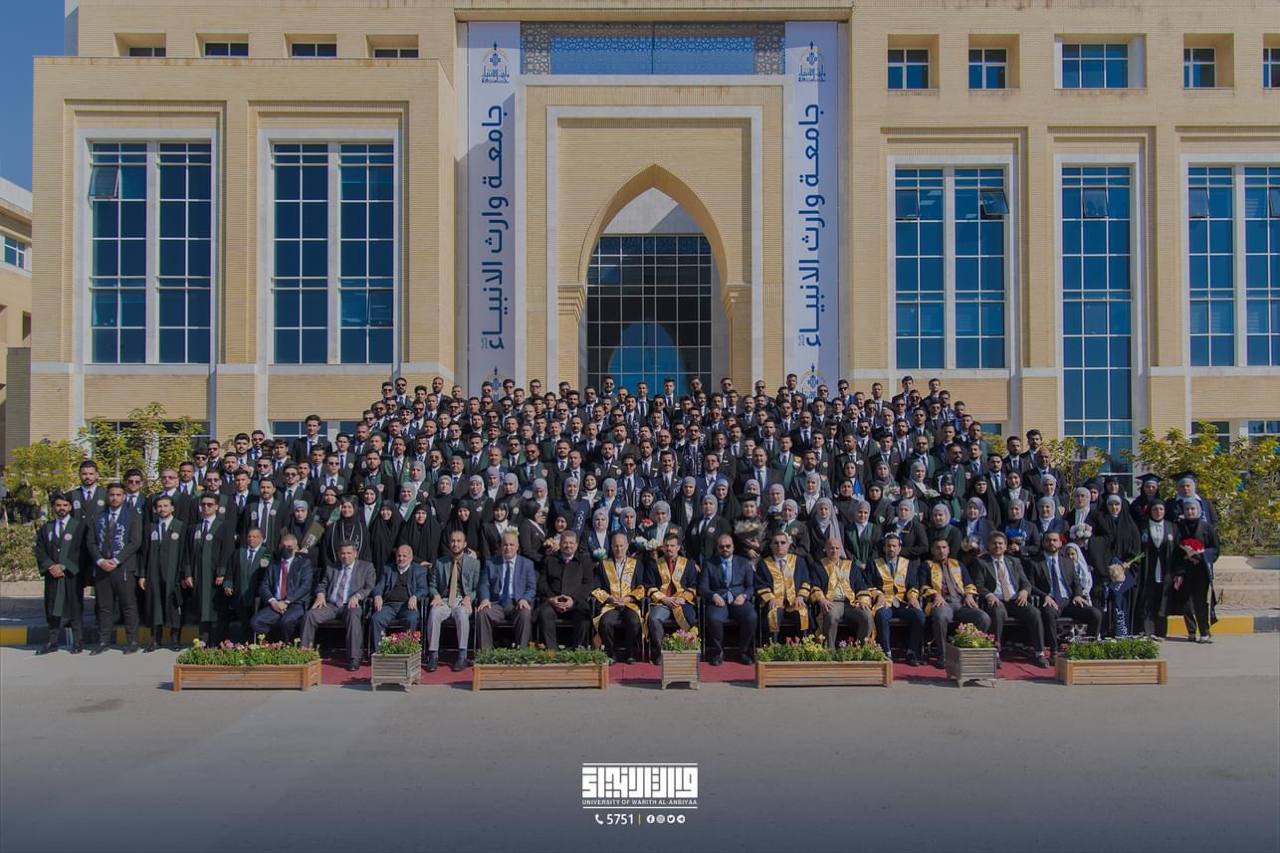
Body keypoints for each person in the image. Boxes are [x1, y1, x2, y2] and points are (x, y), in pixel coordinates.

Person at [973, 531, 1049, 667]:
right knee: (997, 612)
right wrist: (989, 594)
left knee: (1035, 613)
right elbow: (978, 585)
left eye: (1000, 543)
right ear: (988, 545)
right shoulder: (981, 562)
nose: (997, 546)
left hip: (1015, 599)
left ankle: (1039, 653)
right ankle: (995, 653)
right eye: (994, 543)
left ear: (1005, 546)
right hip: (997, 600)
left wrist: (1025, 591)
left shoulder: (1014, 561)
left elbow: (1026, 583)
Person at [911, 538, 990, 667]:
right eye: (938, 548)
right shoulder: (926, 565)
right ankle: (943, 655)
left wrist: (969, 595)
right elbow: (923, 586)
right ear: (932, 550)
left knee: (983, 618)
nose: (941, 551)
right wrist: (935, 594)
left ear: (948, 550)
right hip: (942, 602)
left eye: (944, 547)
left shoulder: (957, 564)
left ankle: (969, 652)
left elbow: (969, 583)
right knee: (940, 616)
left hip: (961, 603)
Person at [301, 542, 377, 672]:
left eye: (349, 553)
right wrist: (320, 594)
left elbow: (369, 587)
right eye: (343, 553)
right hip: (331, 605)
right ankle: (304, 654)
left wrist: (358, 596)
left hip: (351, 604)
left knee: (353, 615)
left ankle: (354, 657)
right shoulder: (332, 567)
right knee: (310, 615)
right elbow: (322, 584)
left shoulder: (366, 567)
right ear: (338, 554)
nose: (345, 556)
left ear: (355, 554)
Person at [87, 483, 143, 655]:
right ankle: (103, 640)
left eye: (118, 495)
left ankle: (132, 641)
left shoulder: (132, 516)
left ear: (124, 497)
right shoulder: (98, 517)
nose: (115, 498)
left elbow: (135, 542)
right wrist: (100, 560)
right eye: (112, 495)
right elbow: (91, 542)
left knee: (128, 606)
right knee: (104, 606)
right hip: (102, 568)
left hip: (124, 567)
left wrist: (117, 560)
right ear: (107, 496)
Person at [1029, 530, 1102, 651]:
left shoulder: (1067, 562)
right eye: (1048, 540)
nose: (1051, 543)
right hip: (1049, 601)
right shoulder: (1034, 563)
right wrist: (1044, 596)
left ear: (1060, 543)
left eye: (1054, 540)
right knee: (1048, 614)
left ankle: (1087, 649)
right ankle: (1054, 650)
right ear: (1043, 543)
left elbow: (1076, 582)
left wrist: (1078, 595)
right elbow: (1030, 585)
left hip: (1068, 602)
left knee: (1096, 614)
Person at [34, 492, 86, 654]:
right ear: (53, 507)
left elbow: (83, 551)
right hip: (53, 576)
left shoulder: (79, 527)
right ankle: (52, 642)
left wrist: (65, 566)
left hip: (71, 576)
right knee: (52, 607)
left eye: (65, 505)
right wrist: (50, 566)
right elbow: (40, 549)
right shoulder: (47, 528)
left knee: (74, 607)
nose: (61, 508)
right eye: (58, 505)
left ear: (70, 507)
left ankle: (78, 641)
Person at [864, 531, 926, 664]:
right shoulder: (874, 564)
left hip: (903, 603)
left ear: (899, 548)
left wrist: (912, 597)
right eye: (888, 546)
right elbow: (868, 585)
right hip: (885, 603)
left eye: (894, 546)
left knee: (920, 616)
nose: (891, 549)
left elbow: (913, 585)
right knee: (881, 615)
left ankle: (912, 652)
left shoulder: (908, 564)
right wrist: (878, 594)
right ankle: (886, 652)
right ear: (884, 548)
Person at [697, 533, 757, 665]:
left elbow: (751, 586)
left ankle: (743, 652)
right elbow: (702, 587)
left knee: (751, 617)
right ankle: (719, 652)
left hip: (739, 600)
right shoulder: (709, 563)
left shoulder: (744, 562)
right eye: (722, 546)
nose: (725, 549)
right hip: (719, 600)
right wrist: (713, 595)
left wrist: (744, 596)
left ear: (733, 547)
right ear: (717, 548)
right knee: (713, 618)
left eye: (728, 546)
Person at [426, 529, 480, 672]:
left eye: (458, 541)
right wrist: (436, 595)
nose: (455, 544)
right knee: (434, 613)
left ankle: (462, 656)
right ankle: (433, 655)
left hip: (462, 600)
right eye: (453, 541)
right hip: (444, 600)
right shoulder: (440, 562)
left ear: (465, 544)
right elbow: (432, 584)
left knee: (462, 614)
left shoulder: (474, 563)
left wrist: (470, 597)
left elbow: (477, 587)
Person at [808, 536, 873, 648]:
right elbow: (814, 585)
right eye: (831, 548)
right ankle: (829, 650)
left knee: (867, 616)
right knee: (831, 616)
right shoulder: (818, 566)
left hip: (851, 602)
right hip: (832, 602)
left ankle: (861, 649)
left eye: (837, 548)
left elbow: (860, 585)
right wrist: (821, 599)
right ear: (825, 549)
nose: (834, 551)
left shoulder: (851, 566)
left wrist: (863, 601)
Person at [592, 531, 646, 664]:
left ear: (627, 546)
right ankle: (611, 653)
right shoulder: (603, 565)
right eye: (616, 546)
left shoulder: (636, 564)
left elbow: (641, 587)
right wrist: (610, 598)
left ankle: (630, 653)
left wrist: (629, 598)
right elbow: (596, 588)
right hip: (611, 605)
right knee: (605, 623)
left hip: (629, 604)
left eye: (622, 546)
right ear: (611, 547)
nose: (619, 549)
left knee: (634, 622)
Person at [476, 531, 536, 650]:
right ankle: (485, 653)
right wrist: (485, 599)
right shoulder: (491, 563)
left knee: (525, 613)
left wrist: (525, 599)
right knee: (483, 613)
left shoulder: (527, 564)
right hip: (496, 603)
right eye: (505, 545)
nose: (508, 548)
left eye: (511, 544)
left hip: (517, 603)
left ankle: (522, 653)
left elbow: (531, 587)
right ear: (500, 546)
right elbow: (483, 584)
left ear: (517, 547)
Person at [536, 529, 594, 650]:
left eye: (571, 543)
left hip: (576, 603)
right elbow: (542, 583)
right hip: (553, 602)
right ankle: (552, 652)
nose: (568, 546)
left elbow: (588, 584)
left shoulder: (584, 560)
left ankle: (577, 651)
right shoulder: (550, 560)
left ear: (576, 545)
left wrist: (573, 600)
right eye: (565, 543)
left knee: (584, 617)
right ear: (560, 544)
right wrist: (552, 599)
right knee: (544, 614)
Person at [142, 494, 186, 650]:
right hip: (153, 572)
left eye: (166, 506)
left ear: (172, 508)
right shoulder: (151, 527)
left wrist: (184, 574)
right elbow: (144, 552)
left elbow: (185, 552)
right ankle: (156, 639)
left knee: (173, 605)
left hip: (173, 573)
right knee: (155, 604)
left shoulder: (180, 526)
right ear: (155, 509)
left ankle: (175, 639)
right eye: (159, 506)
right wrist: (142, 575)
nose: (162, 509)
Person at [250, 533, 312, 642]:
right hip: (276, 604)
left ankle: (288, 646)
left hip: (295, 604)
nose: (286, 549)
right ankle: (272, 643)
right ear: (279, 546)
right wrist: (273, 602)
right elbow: (264, 586)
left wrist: (287, 601)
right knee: (256, 622)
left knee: (286, 621)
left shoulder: (303, 564)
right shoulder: (273, 565)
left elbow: (305, 586)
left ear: (296, 548)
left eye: (289, 547)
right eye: (283, 546)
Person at [1172, 499, 1219, 643]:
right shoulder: (1179, 527)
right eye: (1187, 509)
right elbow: (1175, 550)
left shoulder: (1206, 527)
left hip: (1201, 571)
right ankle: (1191, 631)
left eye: (1193, 509)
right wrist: (1180, 568)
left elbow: (1215, 548)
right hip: (1184, 570)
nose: (1190, 512)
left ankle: (1204, 631)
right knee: (1186, 602)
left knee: (1200, 602)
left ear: (1198, 510)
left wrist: (1200, 555)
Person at [646, 533, 697, 662]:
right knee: (654, 618)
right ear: (663, 547)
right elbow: (649, 587)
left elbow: (694, 586)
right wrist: (664, 598)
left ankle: (687, 651)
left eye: (672, 546)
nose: (669, 548)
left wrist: (683, 598)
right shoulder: (655, 564)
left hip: (682, 602)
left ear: (678, 547)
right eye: (667, 546)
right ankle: (660, 651)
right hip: (663, 602)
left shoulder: (688, 564)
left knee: (691, 619)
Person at [369, 544, 430, 652]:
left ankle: (408, 650)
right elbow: (379, 586)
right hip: (389, 605)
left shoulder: (419, 570)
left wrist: (415, 596)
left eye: (404, 556)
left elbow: (423, 589)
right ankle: (379, 652)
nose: (401, 558)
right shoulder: (388, 569)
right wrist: (377, 595)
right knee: (376, 619)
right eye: (399, 556)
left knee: (411, 619)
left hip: (407, 606)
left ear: (411, 557)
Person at [218, 527, 270, 644]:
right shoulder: (238, 553)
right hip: (240, 592)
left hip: (257, 596)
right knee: (244, 621)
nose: (251, 539)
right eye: (249, 536)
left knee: (255, 621)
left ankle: (258, 644)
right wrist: (228, 584)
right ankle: (246, 643)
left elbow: (267, 571)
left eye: (255, 537)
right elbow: (230, 569)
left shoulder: (267, 553)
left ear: (261, 539)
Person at [756, 531, 811, 641]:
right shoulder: (764, 564)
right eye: (776, 543)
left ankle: (805, 645)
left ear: (788, 545)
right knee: (773, 613)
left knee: (803, 612)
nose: (779, 545)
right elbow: (760, 584)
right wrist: (770, 598)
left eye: (783, 542)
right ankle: (772, 646)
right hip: (775, 602)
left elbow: (806, 581)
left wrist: (801, 596)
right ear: (771, 546)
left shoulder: (798, 561)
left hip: (795, 601)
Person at [1136, 501, 1178, 638]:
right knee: (1148, 598)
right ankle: (1148, 630)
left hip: (1166, 569)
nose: (1158, 512)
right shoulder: (1143, 526)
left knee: (1163, 599)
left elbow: (1177, 549)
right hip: (1148, 568)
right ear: (1150, 511)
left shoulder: (1171, 526)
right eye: (1155, 509)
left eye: (1161, 509)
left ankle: (1161, 631)